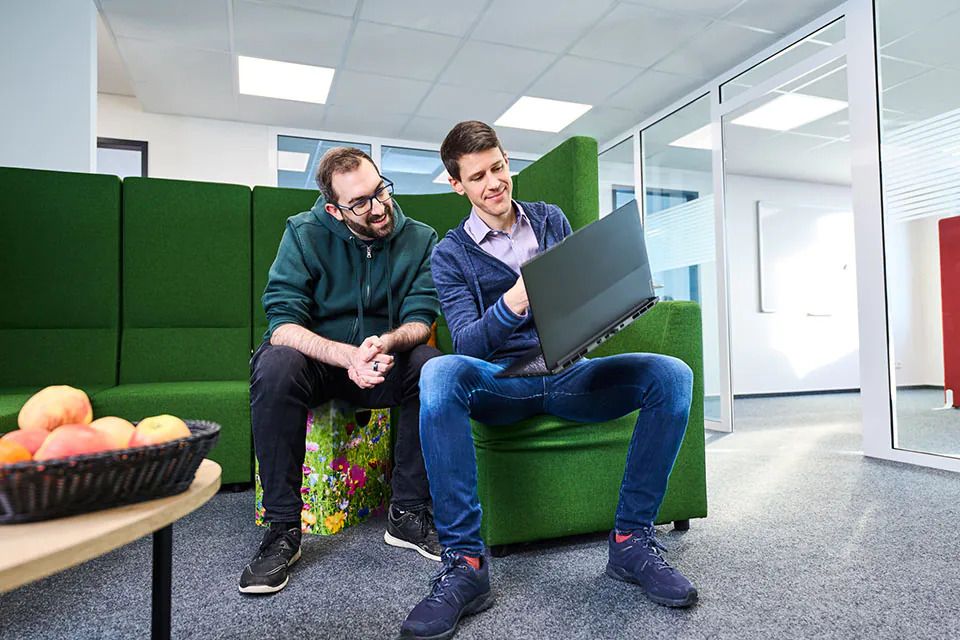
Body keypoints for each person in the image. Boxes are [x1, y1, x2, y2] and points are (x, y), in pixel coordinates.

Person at [397, 122, 697, 638]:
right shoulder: (449, 254)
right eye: (478, 177)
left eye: (498, 168)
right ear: (457, 185)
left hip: (567, 373)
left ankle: (631, 543)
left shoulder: (549, 220)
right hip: (502, 384)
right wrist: (515, 301)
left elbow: (581, 299)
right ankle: (465, 566)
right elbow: (468, 344)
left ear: (506, 160)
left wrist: (617, 302)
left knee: (671, 375)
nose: (494, 184)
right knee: (441, 371)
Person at [241, 146, 443, 595]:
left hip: (383, 360)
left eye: (381, 191)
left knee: (434, 366)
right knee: (274, 364)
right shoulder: (303, 233)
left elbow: (422, 317)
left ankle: (408, 514)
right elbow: (282, 325)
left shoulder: (421, 238)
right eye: (361, 203)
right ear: (334, 209)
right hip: (321, 364)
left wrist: (387, 342)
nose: (379, 208)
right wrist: (345, 355)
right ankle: (282, 531)